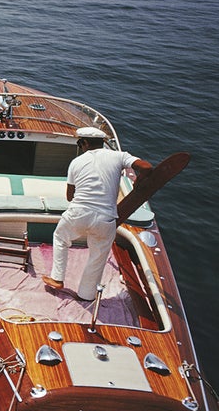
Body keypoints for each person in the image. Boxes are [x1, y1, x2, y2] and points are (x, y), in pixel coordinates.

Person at [42, 127, 152, 301]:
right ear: (102, 143)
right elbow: (146, 167)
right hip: (106, 219)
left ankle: (57, 278)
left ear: (85, 143)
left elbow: (70, 197)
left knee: (61, 238)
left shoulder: (76, 162)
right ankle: (86, 295)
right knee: (98, 257)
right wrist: (139, 180)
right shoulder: (120, 156)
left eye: (80, 143)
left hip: (79, 213)